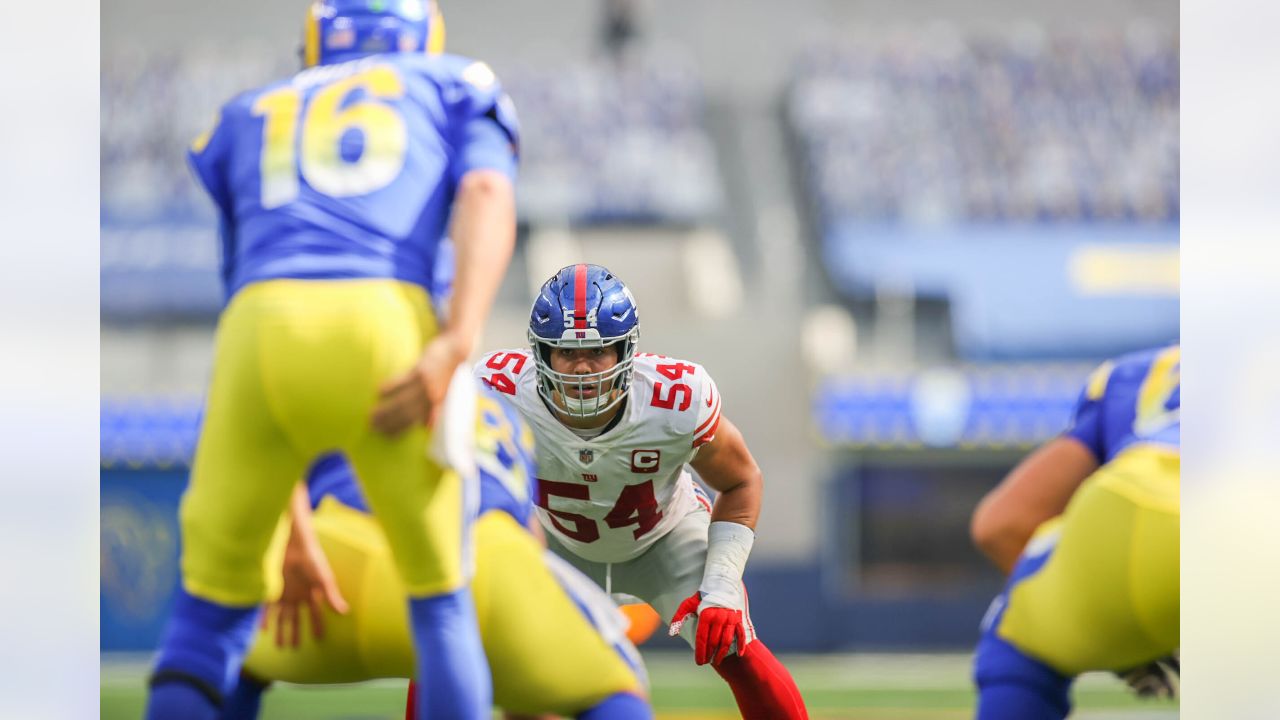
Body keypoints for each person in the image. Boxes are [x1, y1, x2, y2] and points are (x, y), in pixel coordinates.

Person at [144, 1, 519, 717]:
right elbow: (483, 188)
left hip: (257, 330)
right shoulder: (451, 81)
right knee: (442, 602)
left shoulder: (249, 110)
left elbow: (246, 291)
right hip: (380, 316)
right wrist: (457, 337)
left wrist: (290, 522)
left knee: (205, 622)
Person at [475, 264, 809, 720]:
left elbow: (741, 480)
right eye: (566, 352)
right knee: (471, 640)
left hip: (664, 538)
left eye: (598, 350)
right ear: (541, 353)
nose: (582, 367)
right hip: (555, 541)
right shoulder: (497, 391)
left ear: (626, 350)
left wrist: (723, 583)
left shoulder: (676, 399)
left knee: (736, 648)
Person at [222, 385, 652, 720]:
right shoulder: (500, 412)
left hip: (338, 573)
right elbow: (528, 546)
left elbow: (263, 458)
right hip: (485, 573)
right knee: (619, 682)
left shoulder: (340, 372)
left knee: (217, 652)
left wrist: (295, 544)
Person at [970, 345, 1180, 718]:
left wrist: (1122, 625)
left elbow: (1002, 523)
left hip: (1138, 507)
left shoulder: (1145, 371)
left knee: (1016, 637)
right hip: (1251, 514)